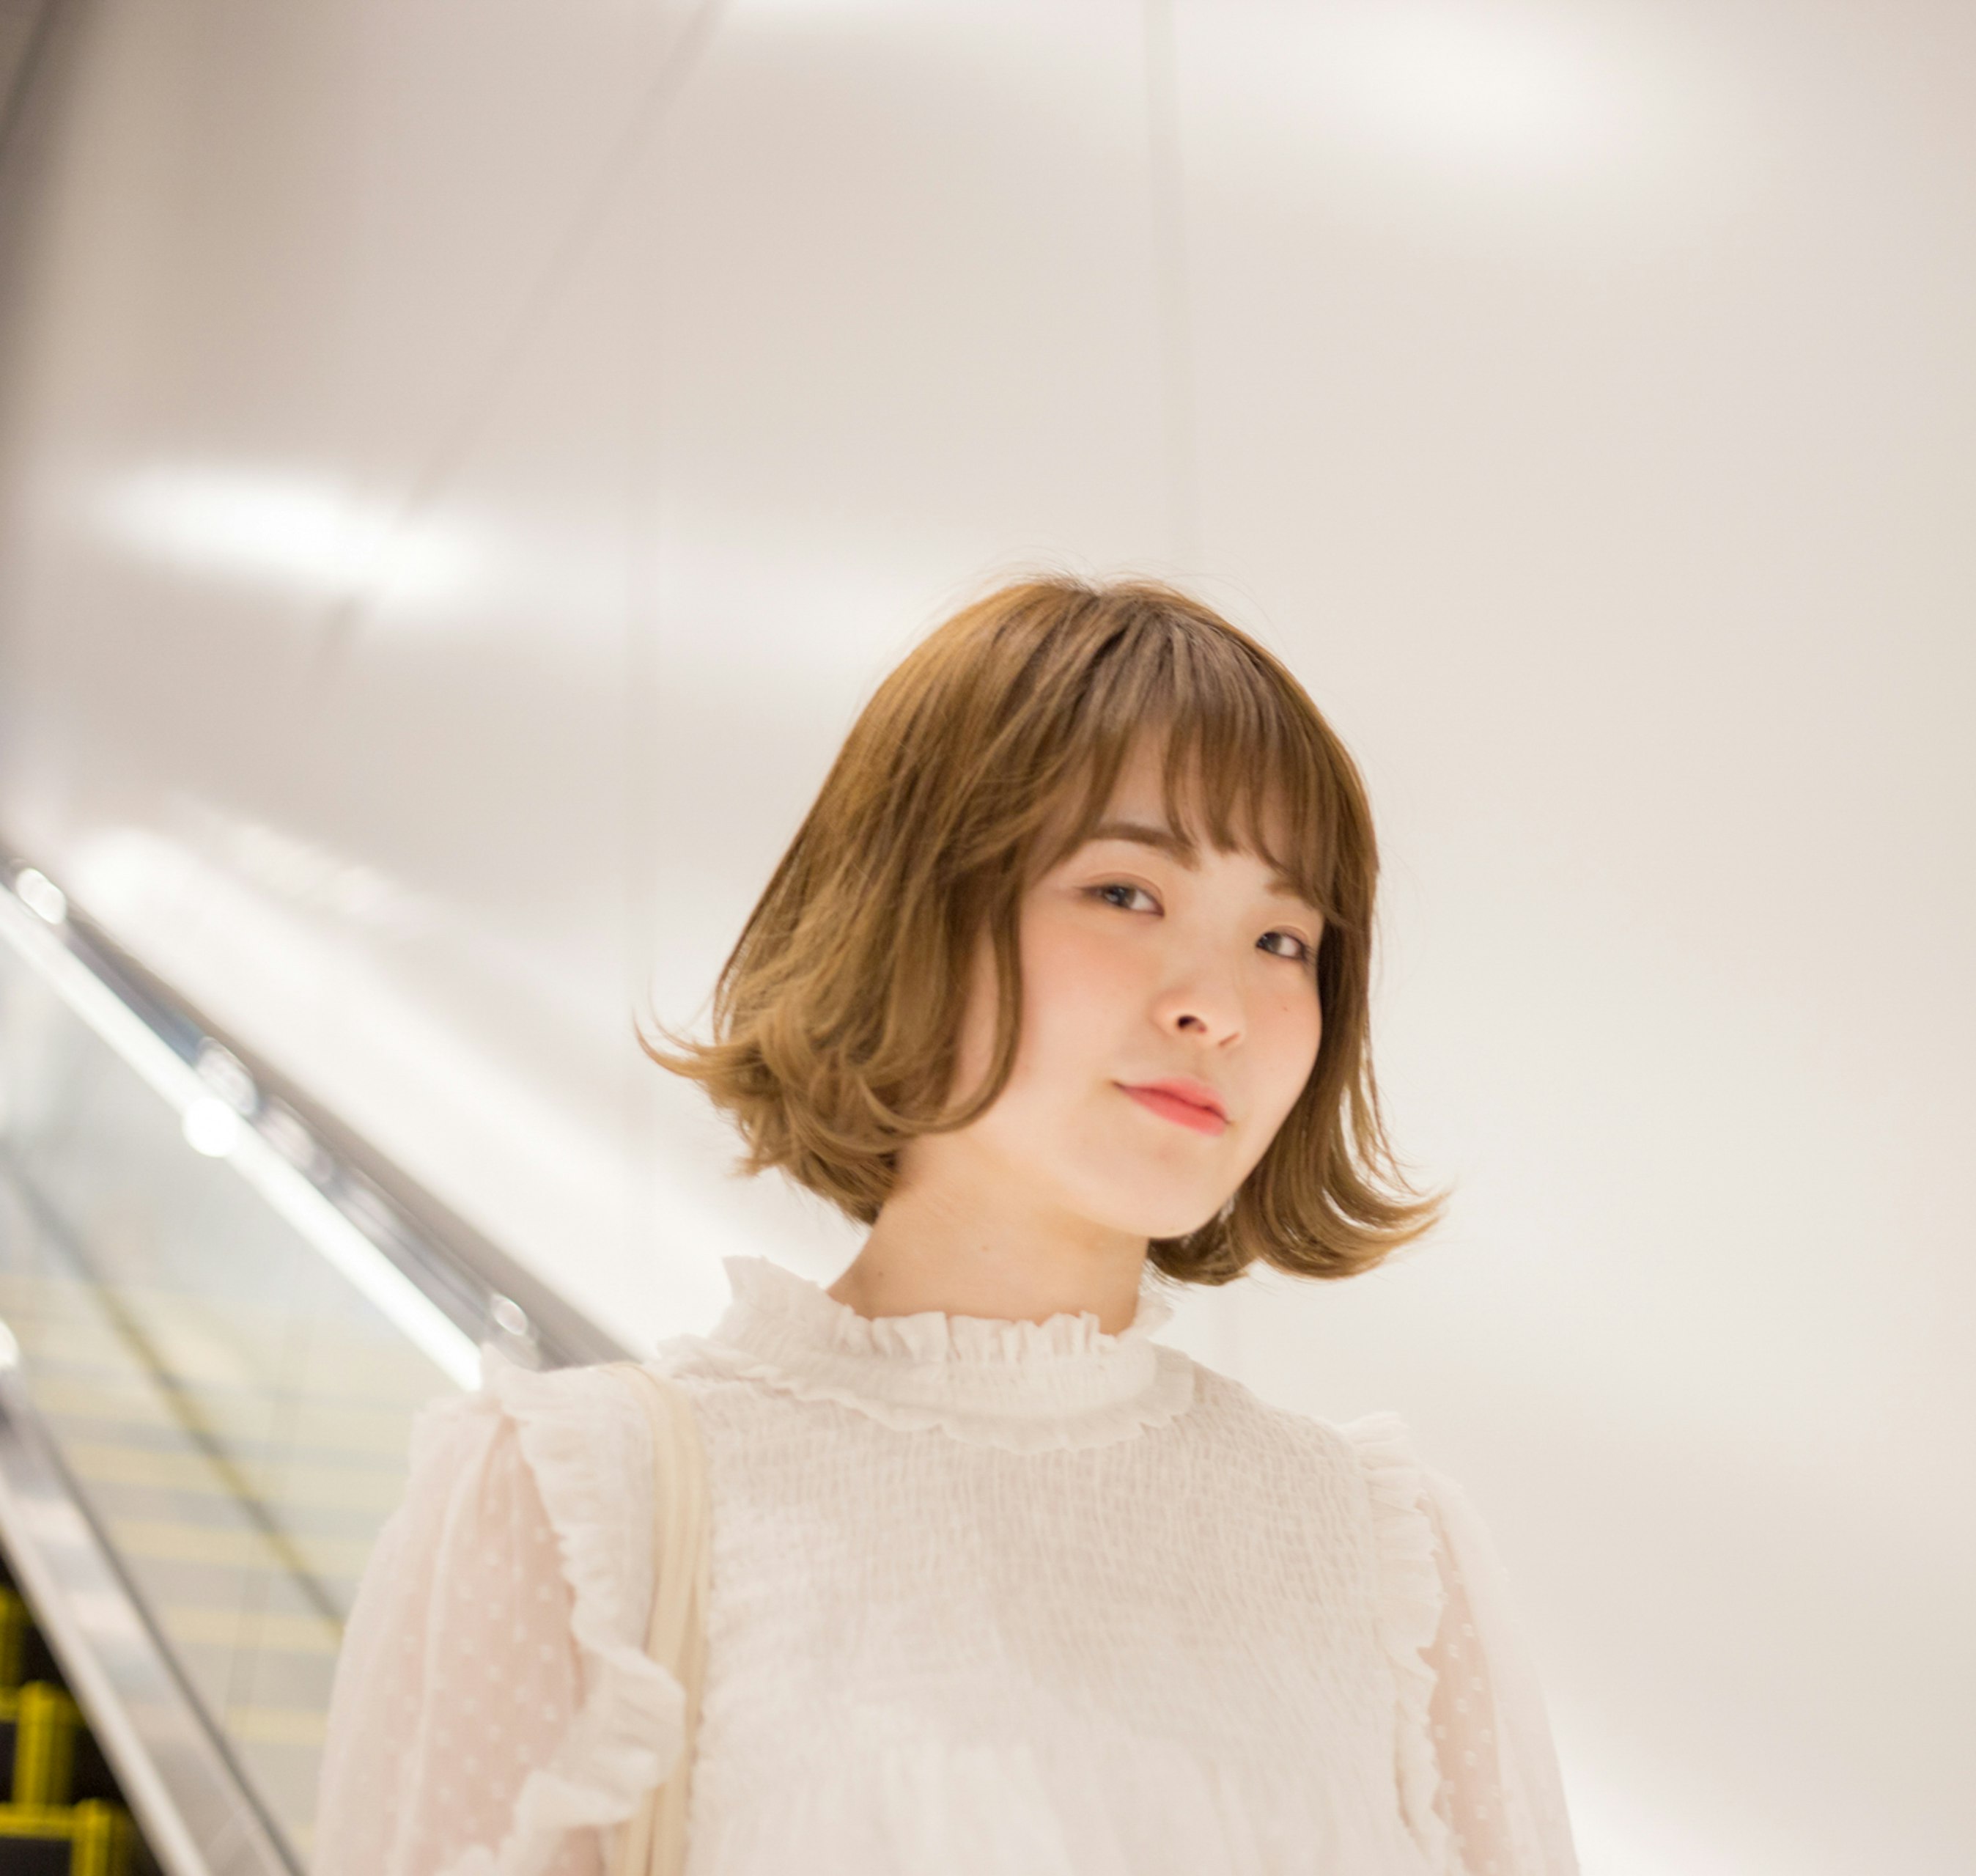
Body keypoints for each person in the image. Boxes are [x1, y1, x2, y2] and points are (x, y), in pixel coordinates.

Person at [309, 578, 1579, 1875]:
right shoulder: (573, 1507)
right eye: (1127, 893)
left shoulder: (1385, 1562)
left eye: (1282, 937)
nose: (1221, 1005)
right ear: (914, 904)